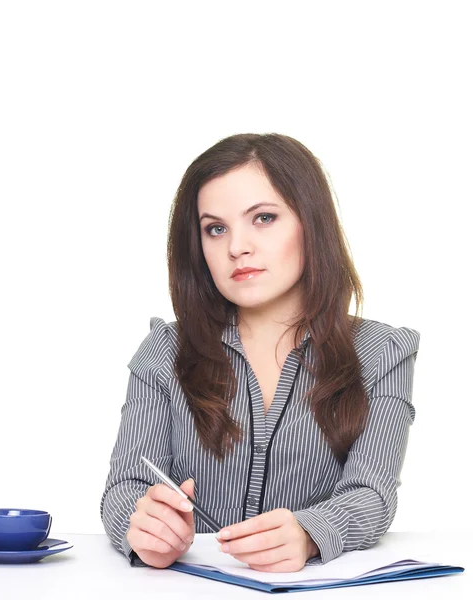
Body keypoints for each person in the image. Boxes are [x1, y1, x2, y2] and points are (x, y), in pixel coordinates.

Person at [100, 133, 421, 572]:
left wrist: (310, 533)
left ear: (311, 223)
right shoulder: (164, 351)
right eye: (216, 229)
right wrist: (141, 527)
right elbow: (127, 485)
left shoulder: (383, 353)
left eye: (264, 218)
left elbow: (371, 494)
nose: (237, 247)